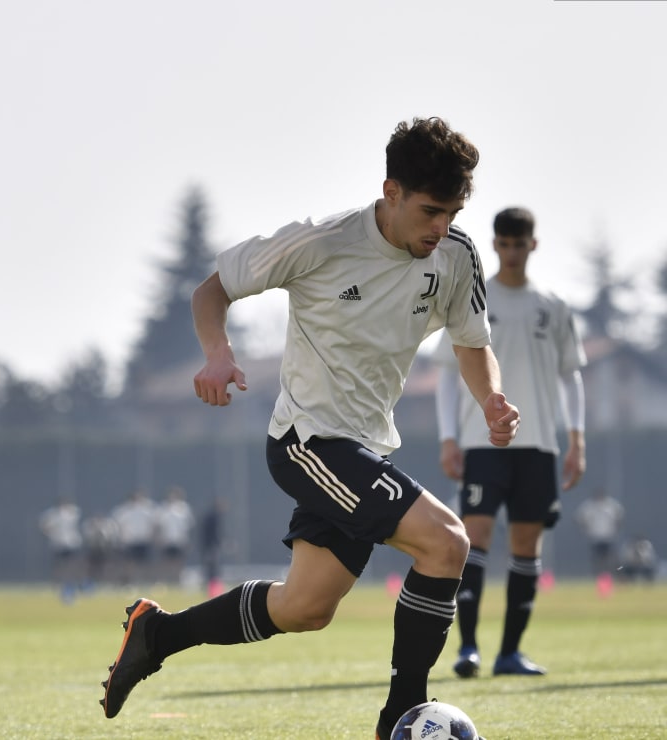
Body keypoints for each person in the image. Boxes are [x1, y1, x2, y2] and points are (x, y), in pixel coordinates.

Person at [97, 117, 519, 740]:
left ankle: (159, 633)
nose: (441, 227)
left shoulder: (455, 255)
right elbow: (211, 292)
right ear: (391, 190)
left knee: (304, 608)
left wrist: (492, 398)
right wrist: (217, 353)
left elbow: (471, 341)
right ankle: (400, 718)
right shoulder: (322, 241)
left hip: (365, 446)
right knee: (446, 542)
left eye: (453, 212)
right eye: (431, 210)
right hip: (307, 442)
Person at [434, 206, 587, 679]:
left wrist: (577, 439)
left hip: (539, 443)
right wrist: (448, 438)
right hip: (484, 441)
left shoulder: (554, 305)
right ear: (495, 244)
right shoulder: (475, 297)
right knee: (473, 539)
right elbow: (445, 374)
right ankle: (469, 649)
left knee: (526, 545)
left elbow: (571, 377)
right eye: (504, 243)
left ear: (532, 245)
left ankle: (510, 654)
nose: (512, 252)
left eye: (520, 244)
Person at [39, 497, 84, 601]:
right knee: (59, 566)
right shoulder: (52, 515)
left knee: (73, 565)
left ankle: (73, 584)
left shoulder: (72, 513)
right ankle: (59, 585)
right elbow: (44, 526)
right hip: (58, 543)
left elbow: (74, 514)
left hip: (71, 542)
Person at [575, 487, 624, 575]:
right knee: (597, 559)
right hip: (595, 537)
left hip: (609, 537)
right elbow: (580, 518)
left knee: (610, 558)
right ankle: (599, 575)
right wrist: (586, 530)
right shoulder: (589, 506)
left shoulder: (611, 505)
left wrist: (615, 530)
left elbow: (619, 517)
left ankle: (613, 574)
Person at [153, 486, 194, 584]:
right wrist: (158, 538)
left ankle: (177, 580)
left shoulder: (184, 508)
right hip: (167, 540)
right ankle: (167, 580)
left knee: (179, 562)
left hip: (180, 540)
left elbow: (189, 526)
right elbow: (158, 525)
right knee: (166, 562)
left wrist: (188, 540)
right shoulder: (163, 508)